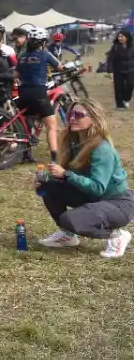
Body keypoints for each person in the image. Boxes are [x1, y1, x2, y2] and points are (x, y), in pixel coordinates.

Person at [36, 99, 134, 258]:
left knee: (69, 219)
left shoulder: (101, 149)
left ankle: (116, 236)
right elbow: (67, 174)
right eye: (71, 114)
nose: (72, 118)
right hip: (94, 197)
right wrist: (46, 177)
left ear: (94, 119)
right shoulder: (74, 141)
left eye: (79, 115)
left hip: (117, 203)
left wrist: (66, 175)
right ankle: (67, 236)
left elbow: (98, 187)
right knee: (46, 187)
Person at [15, 26, 62, 163]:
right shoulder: (45, 54)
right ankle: (54, 157)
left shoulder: (22, 56)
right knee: (51, 125)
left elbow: (16, 74)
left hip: (23, 93)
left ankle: (26, 154)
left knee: (27, 124)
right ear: (43, 42)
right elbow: (60, 67)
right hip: (39, 93)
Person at [107, 28, 133, 110]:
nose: (120, 38)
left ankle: (127, 99)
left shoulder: (132, 46)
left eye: (122, 36)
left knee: (130, 84)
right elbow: (110, 59)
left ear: (127, 37)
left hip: (131, 69)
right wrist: (110, 70)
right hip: (118, 69)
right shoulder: (115, 47)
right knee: (118, 87)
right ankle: (120, 105)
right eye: (119, 36)